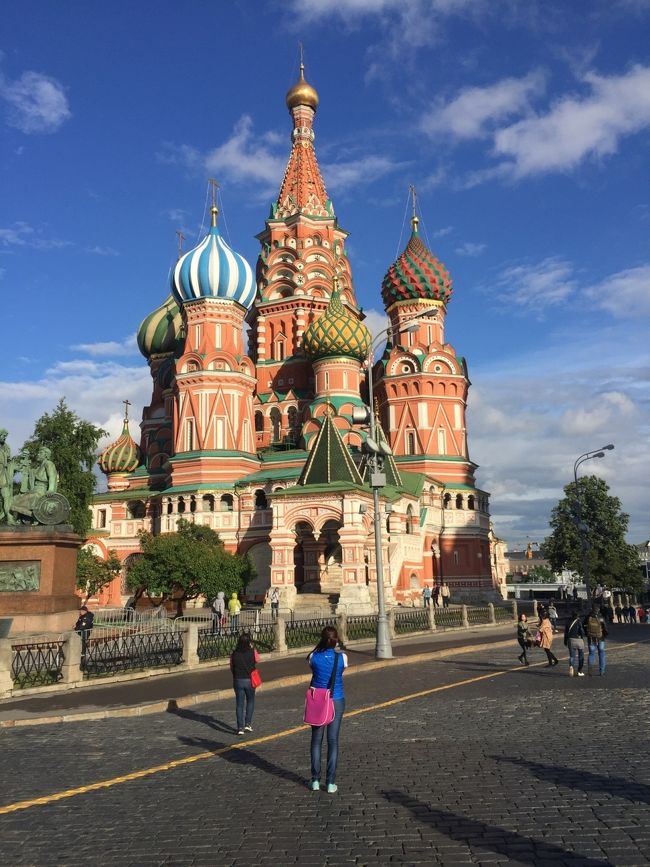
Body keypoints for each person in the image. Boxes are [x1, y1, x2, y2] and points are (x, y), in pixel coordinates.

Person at [308, 625, 348, 794]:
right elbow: (341, 672)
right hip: (336, 699)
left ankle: (315, 780)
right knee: (333, 742)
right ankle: (330, 783)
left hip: (318, 700)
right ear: (336, 640)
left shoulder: (312, 657)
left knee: (316, 741)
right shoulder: (342, 658)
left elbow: (313, 669)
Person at [230, 633, 260, 736]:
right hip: (249, 680)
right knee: (250, 701)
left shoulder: (234, 654)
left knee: (239, 704)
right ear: (249, 642)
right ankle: (248, 724)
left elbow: (231, 666)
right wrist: (252, 648)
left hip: (238, 680)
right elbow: (258, 660)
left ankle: (240, 728)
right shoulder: (252, 652)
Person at [584, 605, 608, 676]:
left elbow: (583, 626)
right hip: (600, 638)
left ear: (592, 609)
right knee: (601, 654)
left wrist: (587, 634)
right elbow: (605, 628)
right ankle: (602, 671)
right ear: (598, 610)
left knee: (591, 654)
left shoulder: (588, 617)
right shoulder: (601, 617)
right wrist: (605, 635)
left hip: (591, 638)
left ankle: (590, 671)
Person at [563, 609, 586, 677]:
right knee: (581, 656)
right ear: (578, 616)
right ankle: (580, 671)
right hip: (578, 640)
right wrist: (582, 636)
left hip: (571, 640)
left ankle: (571, 667)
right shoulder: (579, 622)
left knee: (572, 656)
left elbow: (566, 633)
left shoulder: (568, 622)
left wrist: (565, 641)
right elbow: (581, 631)